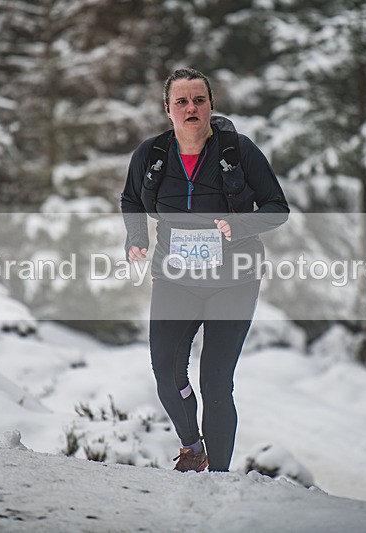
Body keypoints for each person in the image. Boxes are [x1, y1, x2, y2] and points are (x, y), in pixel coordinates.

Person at [121, 68, 289, 473]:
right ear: (168, 109)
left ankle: (218, 479)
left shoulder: (238, 151)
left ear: (211, 105)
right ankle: (192, 447)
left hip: (234, 279)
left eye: (198, 100)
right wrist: (135, 237)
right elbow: (131, 199)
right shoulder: (152, 155)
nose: (191, 108)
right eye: (181, 101)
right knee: (165, 368)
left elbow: (276, 208)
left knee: (215, 382)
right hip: (176, 277)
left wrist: (242, 224)